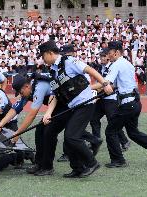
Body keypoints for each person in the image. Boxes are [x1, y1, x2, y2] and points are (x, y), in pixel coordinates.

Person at [0, 74, 102, 175]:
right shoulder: (28, 90)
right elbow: (15, 109)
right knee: (40, 131)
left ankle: (47, 167)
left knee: (50, 133)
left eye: (21, 92)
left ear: (26, 86)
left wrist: (17, 133)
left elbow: (32, 114)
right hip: (55, 108)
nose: (21, 95)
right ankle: (39, 163)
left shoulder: (39, 87)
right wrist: (1, 123)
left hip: (64, 107)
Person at [39, 41, 113, 178]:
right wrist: (48, 113)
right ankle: (78, 168)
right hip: (72, 107)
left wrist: (104, 83)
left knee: (71, 136)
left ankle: (91, 162)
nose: (42, 59)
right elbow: (55, 95)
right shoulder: (53, 71)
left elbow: (90, 70)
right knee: (69, 139)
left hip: (85, 104)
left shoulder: (69, 61)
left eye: (43, 56)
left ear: (50, 53)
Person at [93, 41, 147, 168]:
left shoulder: (116, 64)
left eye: (110, 53)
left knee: (110, 131)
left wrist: (89, 89)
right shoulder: (127, 64)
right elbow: (114, 85)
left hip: (127, 104)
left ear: (116, 52)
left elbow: (106, 82)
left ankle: (118, 160)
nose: (108, 56)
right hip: (135, 103)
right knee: (134, 133)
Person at [90, 49, 131, 152]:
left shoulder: (113, 67)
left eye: (104, 56)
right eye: (101, 56)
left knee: (112, 122)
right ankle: (96, 141)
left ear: (108, 56)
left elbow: (112, 84)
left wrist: (97, 89)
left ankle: (124, 141)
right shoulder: (100, 67)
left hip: (111, 99)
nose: (102, 58)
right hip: (101, 98)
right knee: (93, 119)